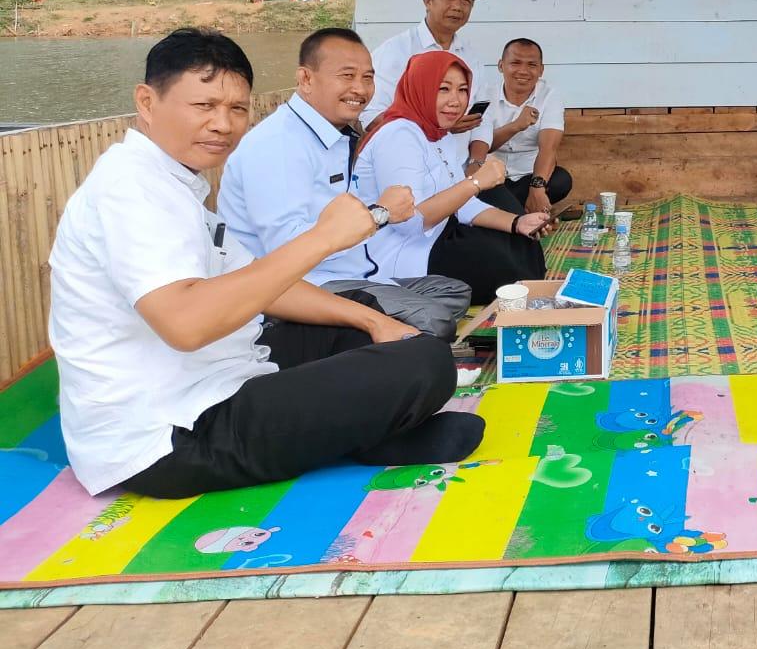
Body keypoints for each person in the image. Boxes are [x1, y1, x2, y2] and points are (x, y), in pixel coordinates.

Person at [48, 28, 483, 499]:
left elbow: (263, 282)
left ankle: (358, 431)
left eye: (236, 109)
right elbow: (185, 324)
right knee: (425, 364)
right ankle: (361, 435)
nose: (222, 124)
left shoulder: (177, 183)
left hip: (227, 367)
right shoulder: (128, 189)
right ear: (147, 102)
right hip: (167, 434)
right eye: (204, 106)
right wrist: (324, 237)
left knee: (382, 331)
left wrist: (373, 321)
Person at [219, 28, 471, 339]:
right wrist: (379, 214)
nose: (360, 89)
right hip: (301, 289)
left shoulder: (335, 135)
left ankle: (385, 335)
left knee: (453, 290)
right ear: (306, 79)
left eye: (367, 78)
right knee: (434, 318)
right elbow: (285, 249)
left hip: (355, 273)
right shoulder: (280, 142)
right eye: (347, 76)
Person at [356, 50, 550, 304]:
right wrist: (476, 182)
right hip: (403, 253)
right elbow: (407, 222)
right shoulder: (399, 135)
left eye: (462, 90)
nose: (456, 100)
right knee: (501, 264)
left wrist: (517, 222)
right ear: (420, 88)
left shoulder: (439, 133)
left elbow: (464, 204)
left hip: (437, 233)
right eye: (443, 89)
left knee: (522, 244)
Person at [363, 0, 487, 154]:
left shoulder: (471, 57)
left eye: (466, 0)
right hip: (410, 166)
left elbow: (483, 120)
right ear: (428, 1)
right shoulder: (395, 51)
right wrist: (440, 126)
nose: (457, 6)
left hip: (460, 171)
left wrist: (475, 163)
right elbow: (370, 117)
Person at [467, 38, 572, 215]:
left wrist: (537, 189)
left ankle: (509, 210)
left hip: (529, 176)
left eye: (532, 65)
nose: (523, 71)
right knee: (482, 187)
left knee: (562, 180)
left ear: (541, 70)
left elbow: (549, 148)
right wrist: (515, 126)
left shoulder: (550, 95)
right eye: (515, 63)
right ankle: (517, 213)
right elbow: (482, 147)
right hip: (493, 176)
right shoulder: (484, 94)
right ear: (501, 66)